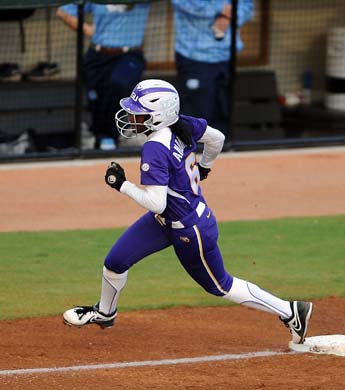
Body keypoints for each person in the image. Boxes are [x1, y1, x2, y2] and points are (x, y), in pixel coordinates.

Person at [63, 79, 313, 345]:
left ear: (158, 117)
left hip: (189, 229)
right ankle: (105, 312)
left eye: (139, 112)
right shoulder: (182, 124)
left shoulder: (155, 148)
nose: (132, 117)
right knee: (115, 262)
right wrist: (205, 165)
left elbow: (156, 202)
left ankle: (290, 311)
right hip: (165, 221)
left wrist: (122, 185)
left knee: (221, 286)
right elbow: (218, 138)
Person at [57, 3, 150, 150]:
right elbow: (63, 11)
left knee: (118, 84)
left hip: (129, 54)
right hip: (97, 54)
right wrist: (89, 30)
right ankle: (102, 137)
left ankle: (119, 132)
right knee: (95, 97)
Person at [171, 0, 254, 136]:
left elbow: (247, 9)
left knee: (224, 111)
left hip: (227, 55)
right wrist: (223, 8)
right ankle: (191, 153)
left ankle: (222, 152)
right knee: (196, 114)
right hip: (195, 57)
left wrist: (227, 16)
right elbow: (186, 4)